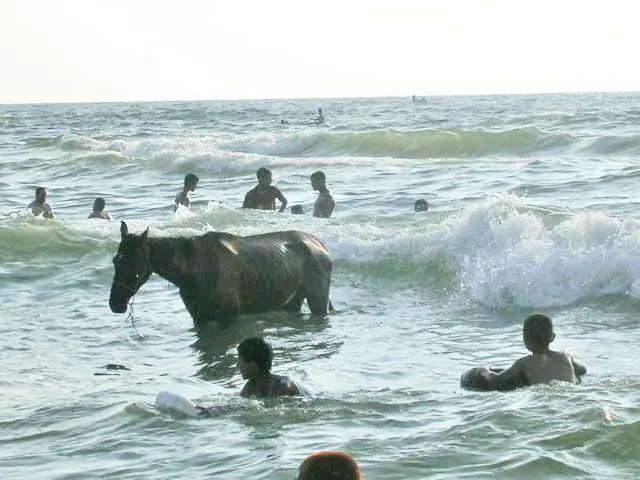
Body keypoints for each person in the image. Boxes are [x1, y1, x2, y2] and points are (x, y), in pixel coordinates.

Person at [491, 314, 587, 390]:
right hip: (570, 392)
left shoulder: (523, 363)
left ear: (525, 340)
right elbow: (582, 370)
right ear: (553, 337)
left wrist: (483, 372)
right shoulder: (566, 356)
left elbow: (499, 379)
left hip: (544, 394)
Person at [237, 337, 308, 398]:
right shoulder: (251, 386)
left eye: (241, 361)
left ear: (253, 365)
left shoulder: (284, 387)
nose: (238, 365)